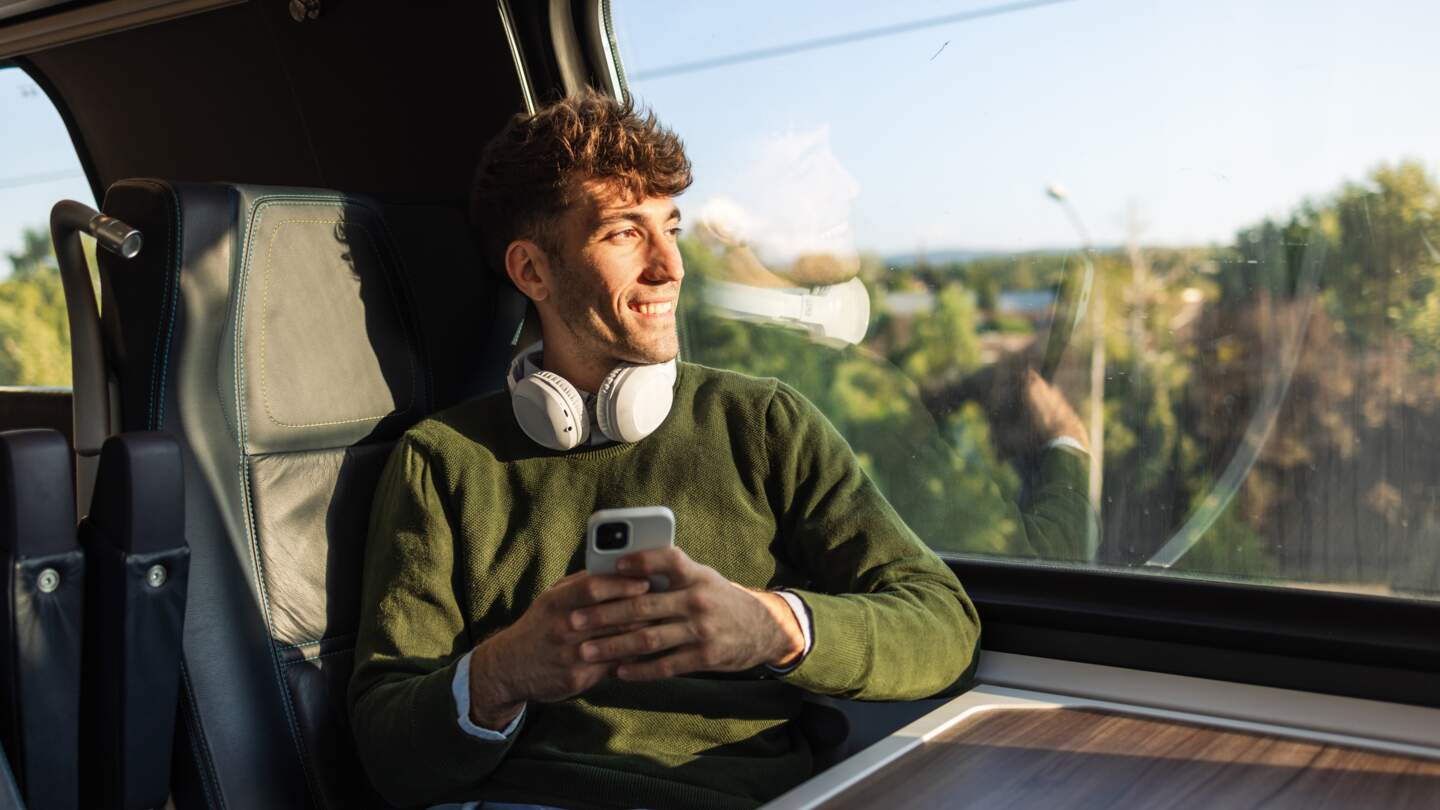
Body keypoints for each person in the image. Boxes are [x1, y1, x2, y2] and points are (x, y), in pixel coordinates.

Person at [349, 92, 983, 810]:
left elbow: (943, 622)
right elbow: (386, 753)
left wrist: (772, 629)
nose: (670, 266)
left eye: (671, 226)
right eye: (625, 233)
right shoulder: (442, 462)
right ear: (532, 272)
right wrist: (502, 672)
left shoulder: (761, 422)